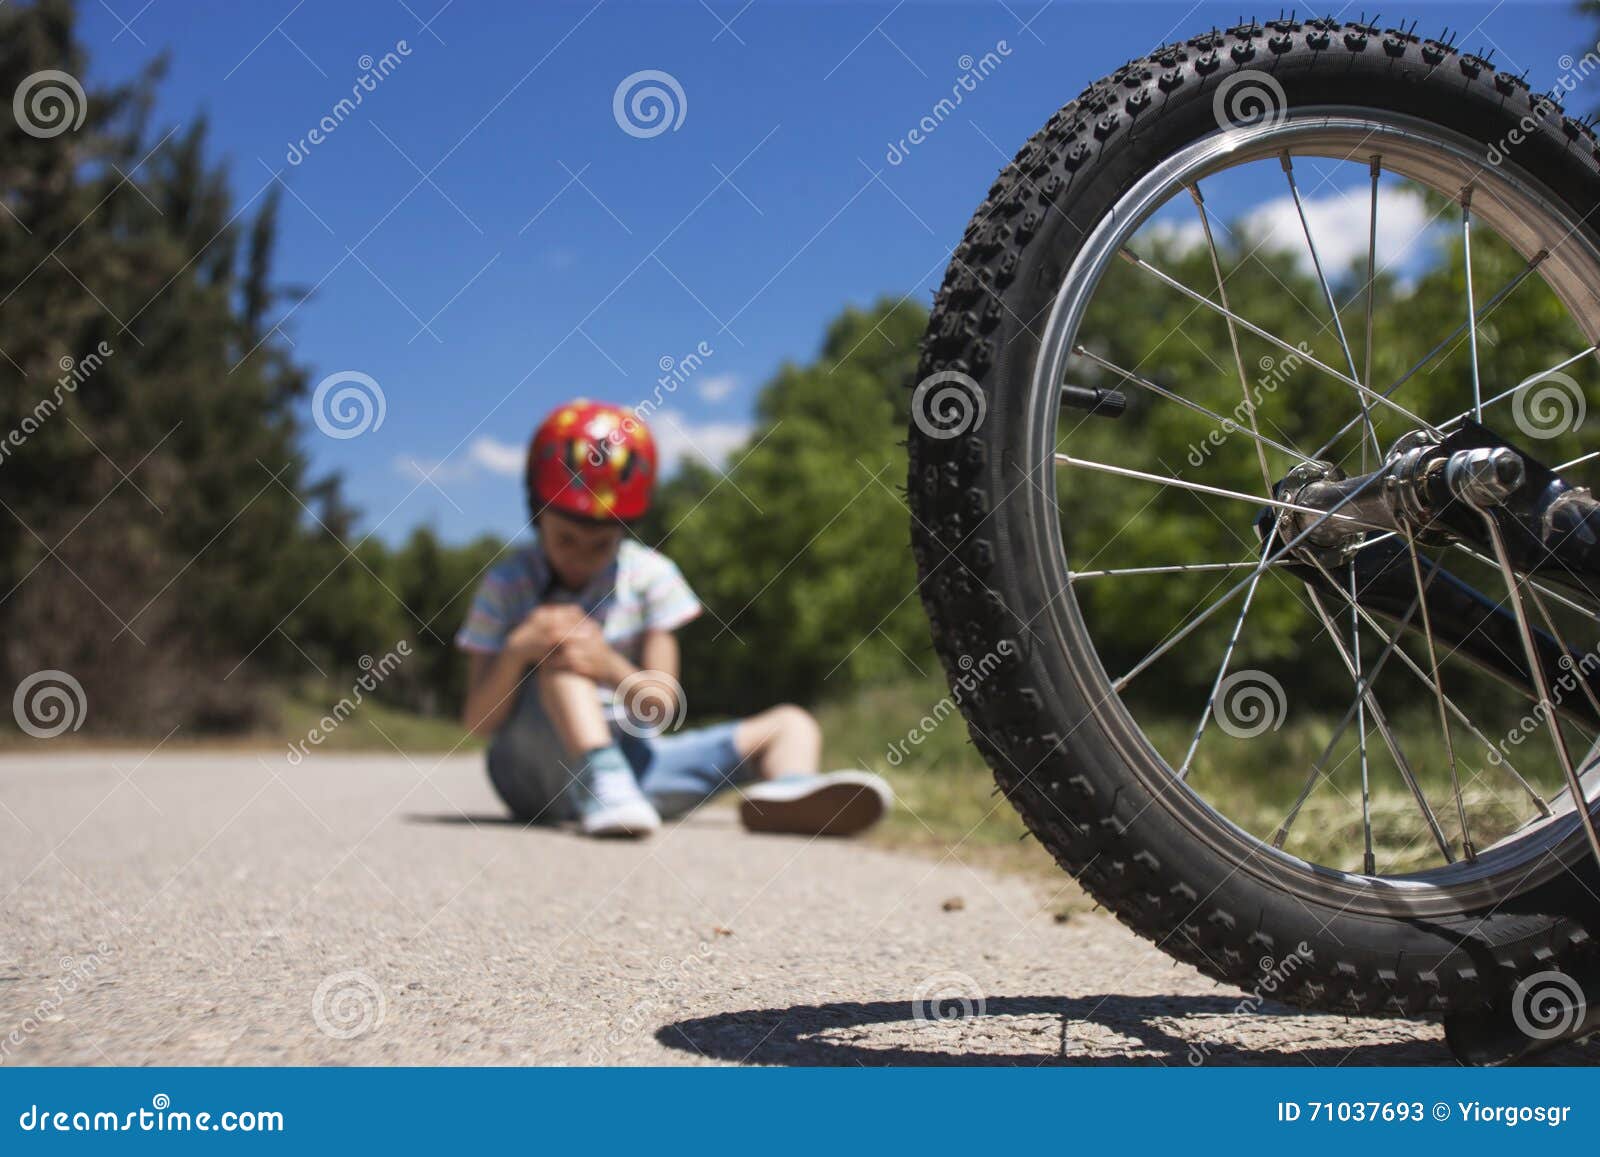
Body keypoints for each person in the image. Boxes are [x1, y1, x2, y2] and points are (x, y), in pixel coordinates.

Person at [457, 400, 892, 838]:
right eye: (565, 539)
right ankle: (601, 780)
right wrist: (517, 650)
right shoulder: (506, 583)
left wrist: (608, 666)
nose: (581, 558)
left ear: (624, 531)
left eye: (600, 545)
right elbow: (478, 723)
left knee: (793, 723)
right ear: (538, 514)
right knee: (563, 653)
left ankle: (789, 794)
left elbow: (661, 708)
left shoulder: (652, 576)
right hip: (531, 772)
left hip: (637, 767)